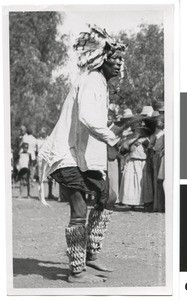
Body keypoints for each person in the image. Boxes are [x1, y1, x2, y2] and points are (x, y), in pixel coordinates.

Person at [38, 24, 131, 283]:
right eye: (115, 59)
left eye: (122, 61)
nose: (119, 65)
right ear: (102, 58)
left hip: (80, 156)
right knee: (79, 209)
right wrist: (114, 139)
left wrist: (119, 130)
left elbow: (91, 125)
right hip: (65, 154)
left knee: (108, 197)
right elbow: (88, 118)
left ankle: (90, 255)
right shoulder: (92, 80)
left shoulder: (98, 82)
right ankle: (77, 272)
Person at [36, 127, 56, 200]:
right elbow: (36, 150)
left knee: (50, 177)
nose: (42, 133)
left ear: (46, 132)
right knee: (41, 177)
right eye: (41, 132)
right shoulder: (38, 140)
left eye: (44, 132)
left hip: (48, 159)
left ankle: (50, 194)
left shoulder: (50, 139)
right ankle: (40, 195)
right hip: (40, 160)